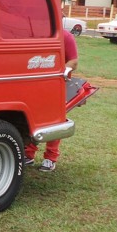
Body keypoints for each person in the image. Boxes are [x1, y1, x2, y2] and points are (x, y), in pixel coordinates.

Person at [24, 28, 79, 172]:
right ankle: (28, 154)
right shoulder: (35, 34)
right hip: (35, 83)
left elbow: (73, 61)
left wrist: (61, 73)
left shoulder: (66, 36)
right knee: (32, 119)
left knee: (54, 120)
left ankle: (50, 158)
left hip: (56, 84)